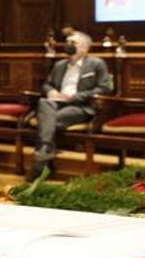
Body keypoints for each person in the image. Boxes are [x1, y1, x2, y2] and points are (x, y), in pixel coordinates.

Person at [28, 31, 112, 181]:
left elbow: (104, 88)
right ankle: (44, 155)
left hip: (80, 106)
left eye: (73, 43)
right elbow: (47, 84)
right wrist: (52, 91)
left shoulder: (96, 64)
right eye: (67, 42)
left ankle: (42, 158)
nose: (68, 46)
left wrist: (75, 96)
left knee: (46, 120)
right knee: (44, 102)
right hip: (56, 103)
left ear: (85, 48)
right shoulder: (60, 65)